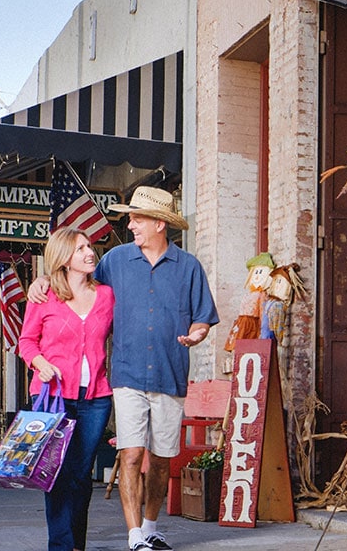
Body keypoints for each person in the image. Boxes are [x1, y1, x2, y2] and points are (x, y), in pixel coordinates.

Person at [30, 186, 219, 551]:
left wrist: (197, 336)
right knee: (131, 454)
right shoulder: (115, 261)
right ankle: (134, 538)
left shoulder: (189, 267)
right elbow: (74, 278)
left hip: (170, 374)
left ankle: (149, 527)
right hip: (127, 375)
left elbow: (203, 319)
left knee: (161, 460)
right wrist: (43, 279)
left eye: (137, 218)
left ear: (160, 224)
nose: (130, 224)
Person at [18, 227, 115, 551]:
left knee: (80, 473)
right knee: (56, 472)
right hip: (53, 395)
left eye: (89, 246)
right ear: (63, 259)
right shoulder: (45, 296)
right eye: (80, 249)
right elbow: (26, 342)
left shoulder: (105, 296)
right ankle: (61, 545)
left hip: (95, 397)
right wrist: (40, 364)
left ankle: (77, 542)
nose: (90, 253)